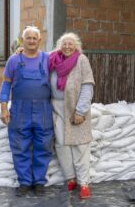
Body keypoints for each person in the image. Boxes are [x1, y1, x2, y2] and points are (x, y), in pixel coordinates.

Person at [0, 26, 54, 197]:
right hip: (20, 109)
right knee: (19, 145)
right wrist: (3, 108)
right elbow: (6, 84)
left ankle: (39, 182)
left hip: (43, 109)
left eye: (34, 38)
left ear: (39, 40)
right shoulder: (14, 60)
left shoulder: (48, 58)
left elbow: (68, 53)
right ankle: (24, 182)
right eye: (28, 38)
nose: (31, 41)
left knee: (43, 145)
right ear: (22, 40)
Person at [49, 33, 94, 199]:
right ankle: (71, 178)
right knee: (61, 144)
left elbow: (87, 86)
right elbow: (35, 56)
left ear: (76, 46)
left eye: (71, 44)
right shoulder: (53, 60)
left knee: (80, 145)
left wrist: (81, 111)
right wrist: (19, 50)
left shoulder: (81, 60)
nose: (67, 46)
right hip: (57, 107)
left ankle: (84, 183)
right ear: (60, 45)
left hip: (76, 108)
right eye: (64, 43)